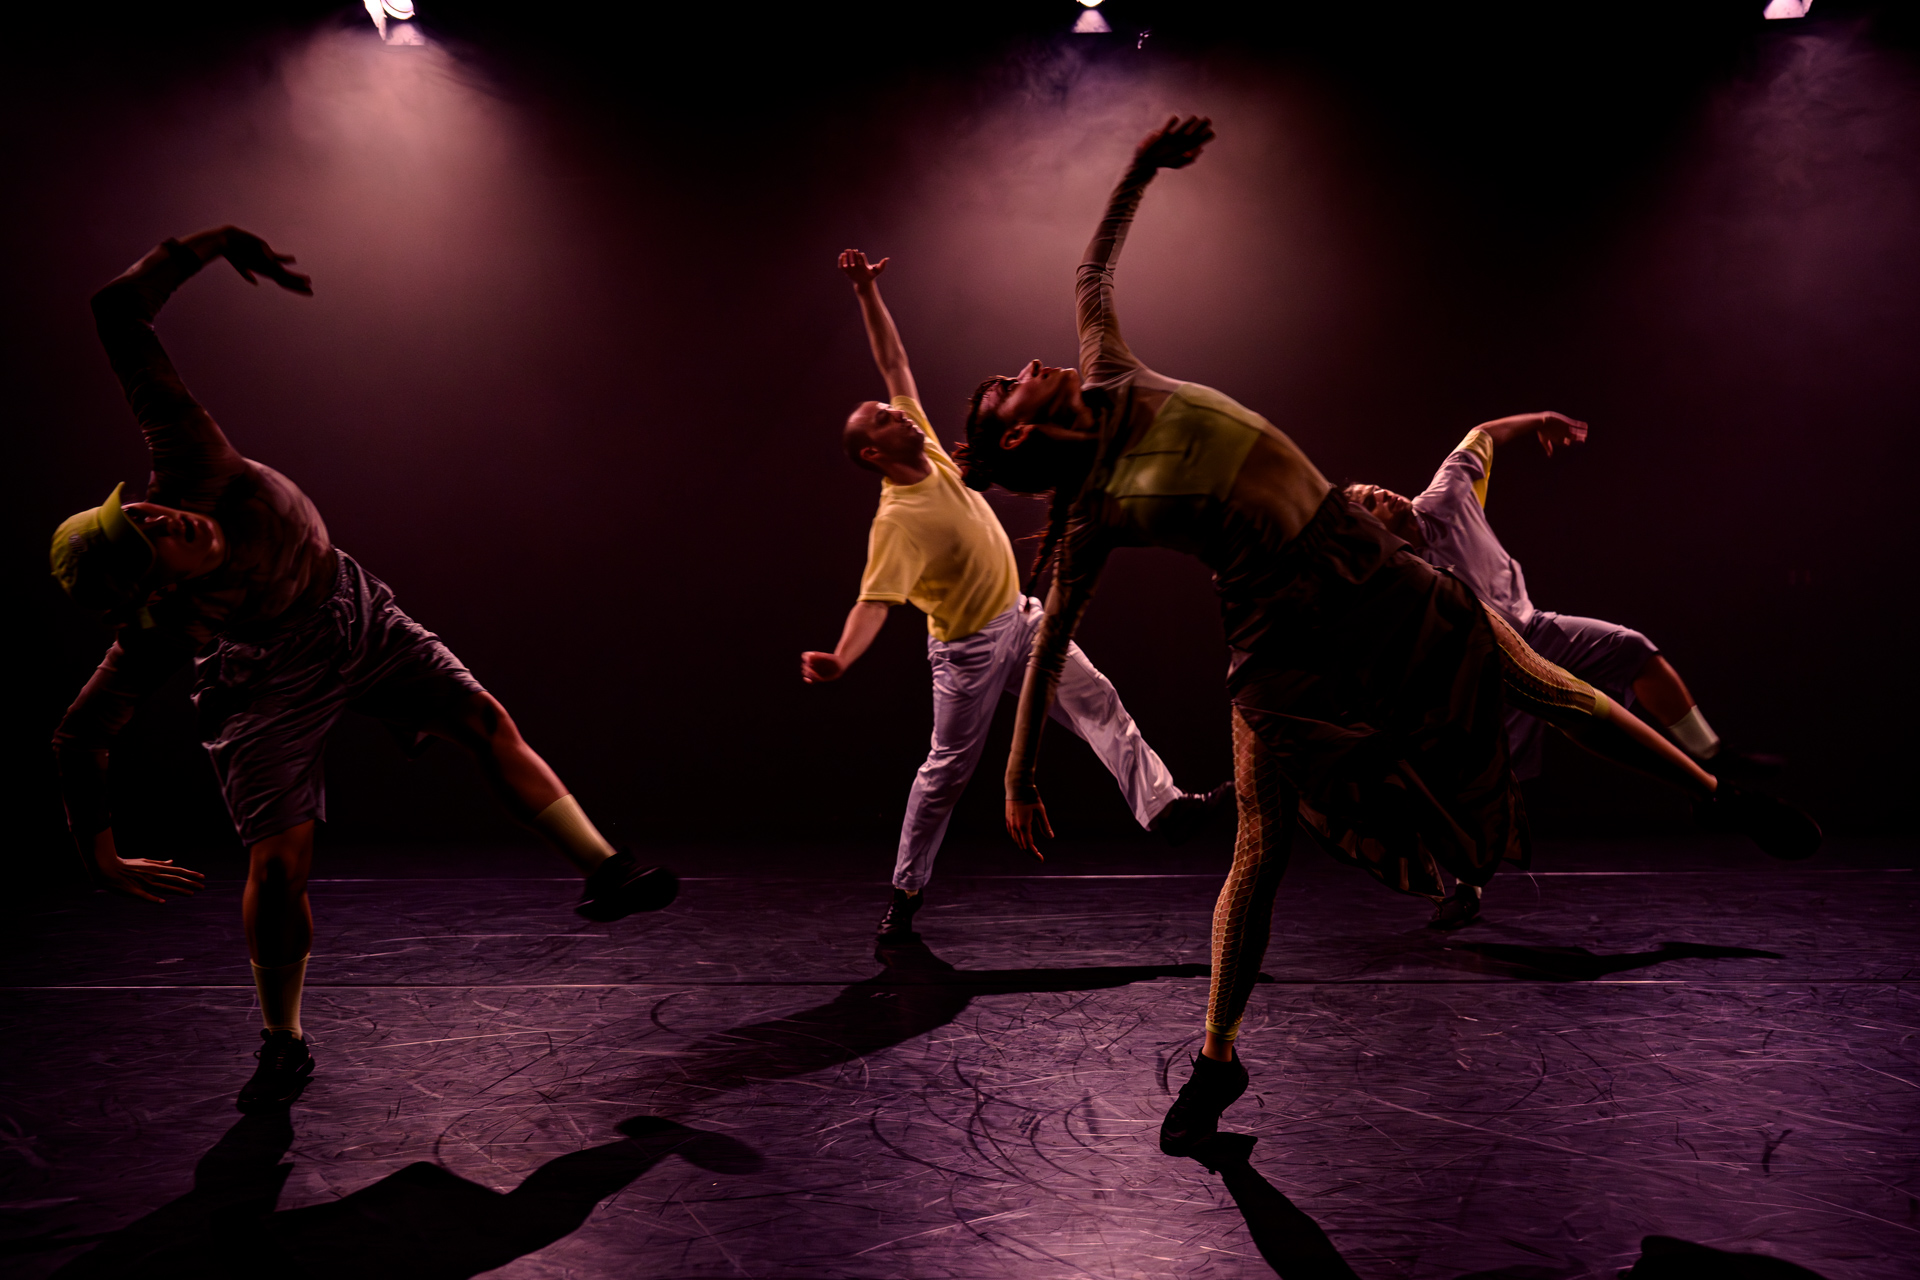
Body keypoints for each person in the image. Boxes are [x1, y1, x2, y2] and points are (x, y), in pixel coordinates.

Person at [955, 117, 1820, 1156]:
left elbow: (1093, 266)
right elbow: (1050, 642)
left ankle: (1722, 796)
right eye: (1009, 381)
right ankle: (1218, 1059)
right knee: (1260, 847)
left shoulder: (1111, 367)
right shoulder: (1094, 511)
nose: (1030, 361)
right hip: (1278, 636)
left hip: (1364, 568)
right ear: (1017, 430)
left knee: (1547, 684)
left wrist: (1142, 166)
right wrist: (1019, 772)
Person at [49, 227, 678, 1113]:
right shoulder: (169, 627)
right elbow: (80, 734)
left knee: (481, 719)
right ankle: (282, 1039)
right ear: (154, 585)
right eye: (146, 540)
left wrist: (210, 245)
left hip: (356, 614)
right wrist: (100, 855)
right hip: (263, 681)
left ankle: (607, 870)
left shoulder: (187, 457)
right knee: (281, 868)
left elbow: (115, 311)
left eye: (142, 513)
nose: (161, 519)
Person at [801, 249, 1230, 942]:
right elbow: (873, 602)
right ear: (873, 454)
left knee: (1099, 699)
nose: (898, 412)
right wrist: (841, 659)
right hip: (966, 653)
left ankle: (1167, 809)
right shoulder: (896, 520)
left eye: (890, 411)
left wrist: (865, 292)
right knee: (946, 773)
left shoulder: (926, 447)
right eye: (883, 419)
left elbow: (894, 361)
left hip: (1022, 619)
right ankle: (905, 892)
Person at [1346, 415, 1778, 784]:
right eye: (1369, 501)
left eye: (1376, 487)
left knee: (1632, 649)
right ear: (1366, 529)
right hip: (1484, 671)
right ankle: (1468, 862)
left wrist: (1540, 420)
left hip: (1535, 631)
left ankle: (1713, 757)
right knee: (1496, 778)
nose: (1382, 492)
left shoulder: (1446, 497)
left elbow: (1483, 434)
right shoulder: (1395, 574)